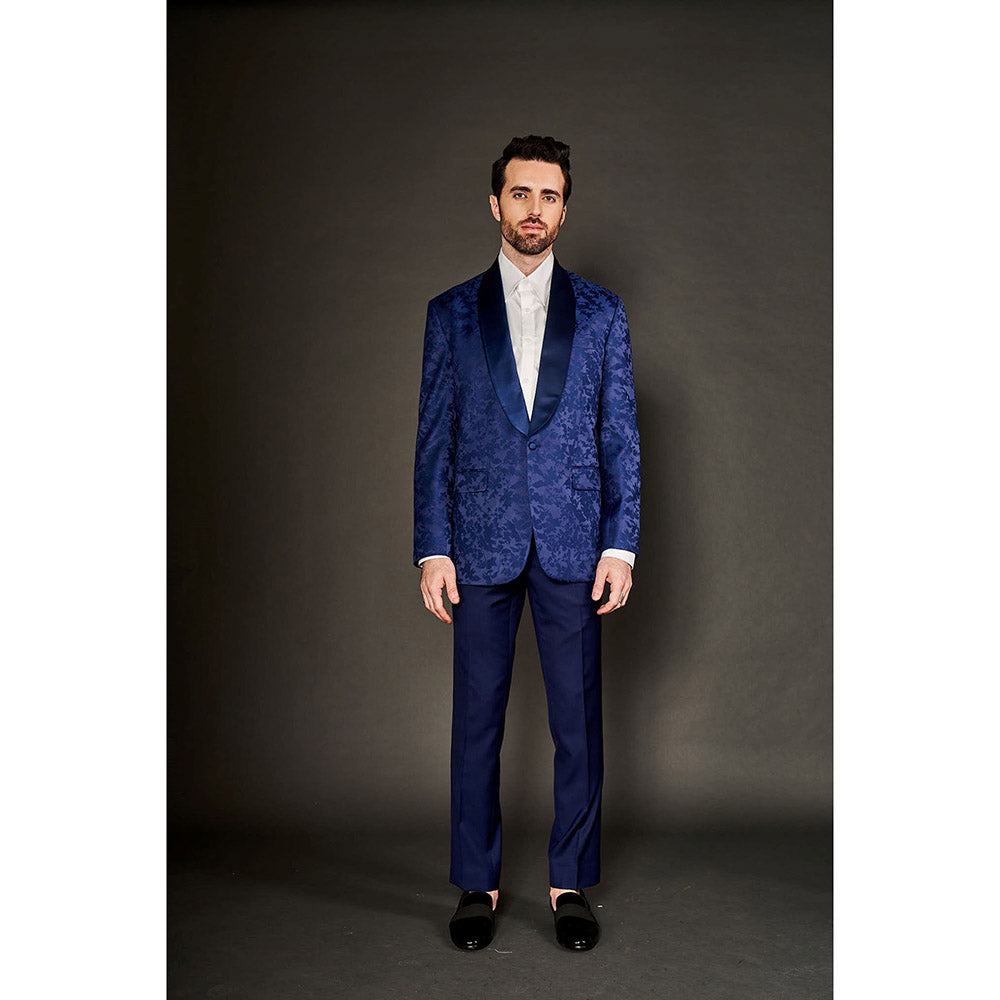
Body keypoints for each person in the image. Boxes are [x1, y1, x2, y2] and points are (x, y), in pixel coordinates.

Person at [412, 134, 640, 951]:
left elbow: (620, 436)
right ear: (495, 203)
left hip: (576, 546)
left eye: (548, 195)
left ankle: (569, 882)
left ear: (565, 209)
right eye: (520, 193)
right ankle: (476, 882)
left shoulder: (604, 312)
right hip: (478, 545)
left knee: (577, 723)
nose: (534, 209)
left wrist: (621, 544)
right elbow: (434, 439)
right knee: (476, 721)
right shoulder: (450, 313)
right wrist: (433, 547)